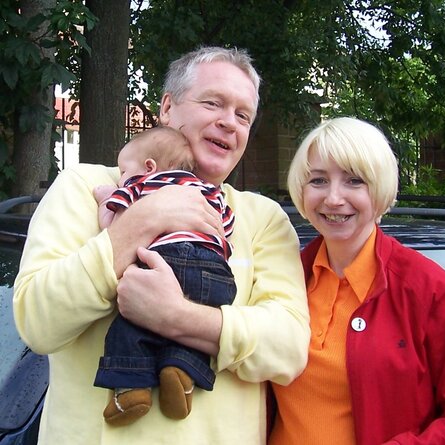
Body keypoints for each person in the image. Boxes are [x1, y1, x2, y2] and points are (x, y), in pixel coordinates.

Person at [13, 46, 310, 445]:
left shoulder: (262, 218)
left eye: (243, 116)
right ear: (167, 108)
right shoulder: (86, 187)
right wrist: (139, 223)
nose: (229, 123)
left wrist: (176, 317)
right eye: (213, 103)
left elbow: (288, 348)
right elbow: (37, 322)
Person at [269, 117, 445, 444]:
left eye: (354, 181)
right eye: (318, 180)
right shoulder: (285, 276)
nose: (333, 198)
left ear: (379, 190)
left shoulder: (428, 288)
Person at [92, 125, 237, 425]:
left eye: (123, 171)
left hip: (167, 259)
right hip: (217, 272)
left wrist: (106, 197)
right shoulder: (212, 192)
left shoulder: (143, 184)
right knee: (197, 322)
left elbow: (112, 226)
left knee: (132, 324)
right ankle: (182, 374)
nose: (121, 177)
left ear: (149, 167)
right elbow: (226, 229)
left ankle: (131, 390)